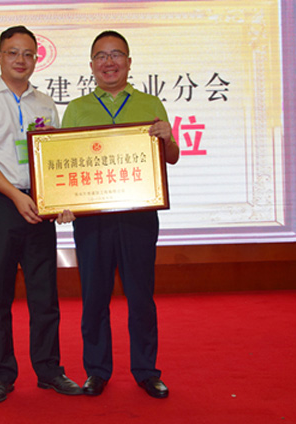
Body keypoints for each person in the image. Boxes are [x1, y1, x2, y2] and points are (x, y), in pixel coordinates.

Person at [0, 25, 82, 404]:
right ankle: (2, 374)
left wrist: (60, 199)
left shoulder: (45, 104)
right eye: (13, 52)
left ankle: (49, 370)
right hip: (0, 205)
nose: (21, 60)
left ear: (36, 59)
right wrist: (15, 196)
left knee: (44, 294)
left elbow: (55, 158)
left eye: (28, 53)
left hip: (39, 206)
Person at [59, 30, 180, 399]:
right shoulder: (77, 109)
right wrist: (61, 201)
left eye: (116, 55)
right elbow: (64, 161)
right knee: (94, 297)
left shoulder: (150, 104)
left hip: (138, 216)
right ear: (91, 65)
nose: (108, 62)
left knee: (140, 296)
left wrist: (167, 137)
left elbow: (171, 158)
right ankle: (96, 371)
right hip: (91, 219)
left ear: (128, 62)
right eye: (101, 56)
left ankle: (146, 371)